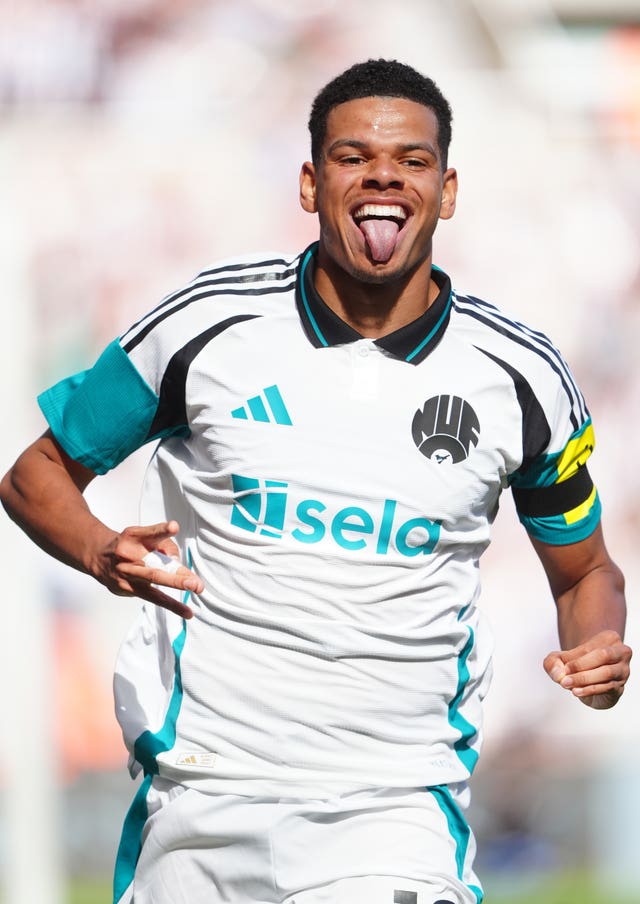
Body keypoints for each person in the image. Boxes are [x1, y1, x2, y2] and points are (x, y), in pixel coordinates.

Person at [0, 59, 632, 904]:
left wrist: (596, 649)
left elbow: (586, 571)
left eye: (412, 161)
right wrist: (98, 548)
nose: (382, 174)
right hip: (202, 803)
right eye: (352, 156)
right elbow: (36, 472)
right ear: (309, 182)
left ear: (446, 192)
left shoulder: (519, 376)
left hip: (392, 811)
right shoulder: (206, 325)